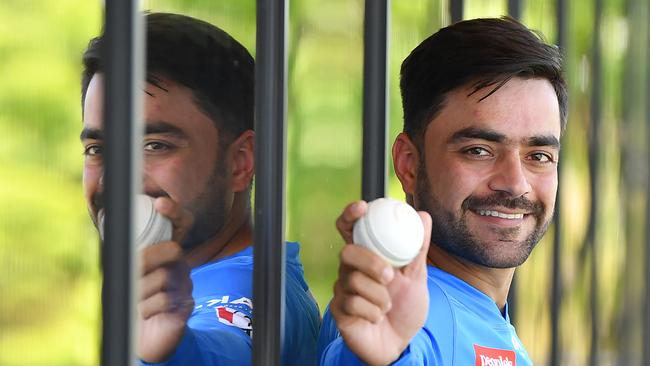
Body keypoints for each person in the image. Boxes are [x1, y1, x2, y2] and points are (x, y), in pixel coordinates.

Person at [318, 17, 567, 365]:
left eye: (538, 156)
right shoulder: (405, 322)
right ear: (409, 164)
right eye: (479, 150)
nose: (515, 182)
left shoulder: (477, 315)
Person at [80, 12, 320, 365]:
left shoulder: (251, 289)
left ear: (240, 161)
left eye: (154, 145)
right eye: (97, 149)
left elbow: (227, 345)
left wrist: (173, 350)